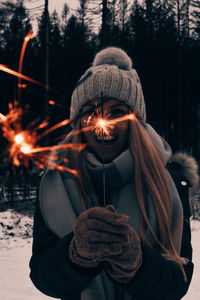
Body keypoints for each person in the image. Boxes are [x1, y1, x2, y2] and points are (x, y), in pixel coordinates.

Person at [29, 47, 198, 300]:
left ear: (135, 121)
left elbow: (177, 283)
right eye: (90, 112)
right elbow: (43, 275)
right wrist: (74, 256)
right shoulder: (55, 182)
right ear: (79, 124)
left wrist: (139, 264)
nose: (103, 122)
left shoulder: (169, 179)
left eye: (117, 112)